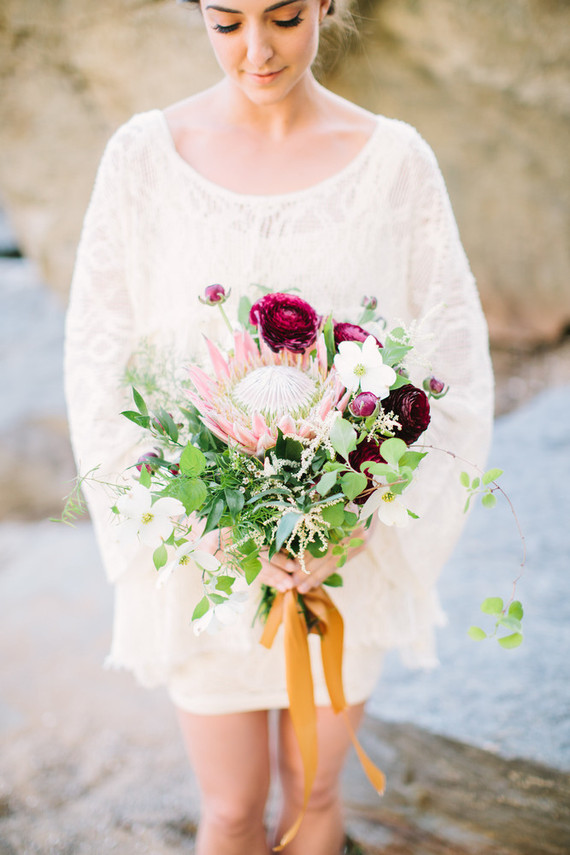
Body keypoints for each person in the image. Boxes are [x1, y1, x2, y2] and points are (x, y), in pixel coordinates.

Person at [64, 0, 494, 852]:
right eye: (226, 23)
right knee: (229, 808)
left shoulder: (394, 162)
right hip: (205, 563)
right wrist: (195, 524)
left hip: (342, 563)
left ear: (326, 6)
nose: (255, 51)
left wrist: (358, 524)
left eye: (285, 17)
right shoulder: (144, 159)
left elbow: (452, 366)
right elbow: (97, 360)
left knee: (315, 791)